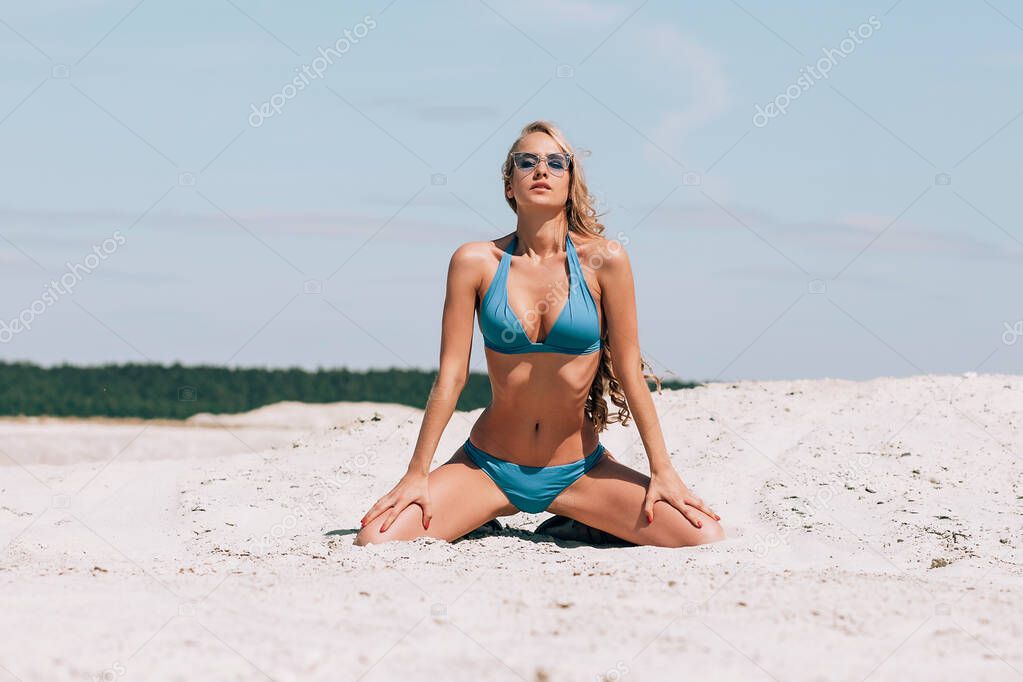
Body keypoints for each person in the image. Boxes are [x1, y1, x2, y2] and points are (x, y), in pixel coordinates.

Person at [355, 120, 725, 548]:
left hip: (579, 471)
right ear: (509, 185)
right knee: (375, 541)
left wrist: (664, 471)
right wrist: (417, 473)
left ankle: (580, 519)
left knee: (703, 536)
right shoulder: (475, 261)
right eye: (526, 162)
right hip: (489, 467)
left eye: (555, 163)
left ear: (571, 182)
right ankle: (481, 514)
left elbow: (628, 372)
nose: (541, 170)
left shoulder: (605, 261)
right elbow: (451, 377)